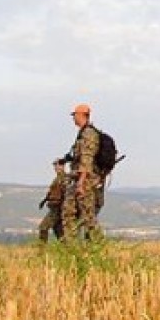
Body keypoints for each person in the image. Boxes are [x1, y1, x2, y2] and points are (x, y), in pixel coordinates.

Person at [61, 103, 104, 242]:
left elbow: (87, 159)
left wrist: (80, 183)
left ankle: (98, 244)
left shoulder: (89, 134)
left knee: (87, 216)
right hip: (78, 179)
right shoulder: (82, 134)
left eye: (75, 115)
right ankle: (71, 249)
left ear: (82, 115)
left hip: (85, 181)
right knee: (68, 213)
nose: (73, 118)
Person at [37, 157, 68, 243]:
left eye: (58, 165)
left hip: (57, 209)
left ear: (63, 166)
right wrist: (44, 201)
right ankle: (67, 251)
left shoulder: (64, 179)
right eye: (55, 165)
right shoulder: (57, 179)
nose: (56, 167)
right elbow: (52, 193)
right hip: (54, 206)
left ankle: (41, 251)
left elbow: (66, 194)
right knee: (59, 232)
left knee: (43, 227)